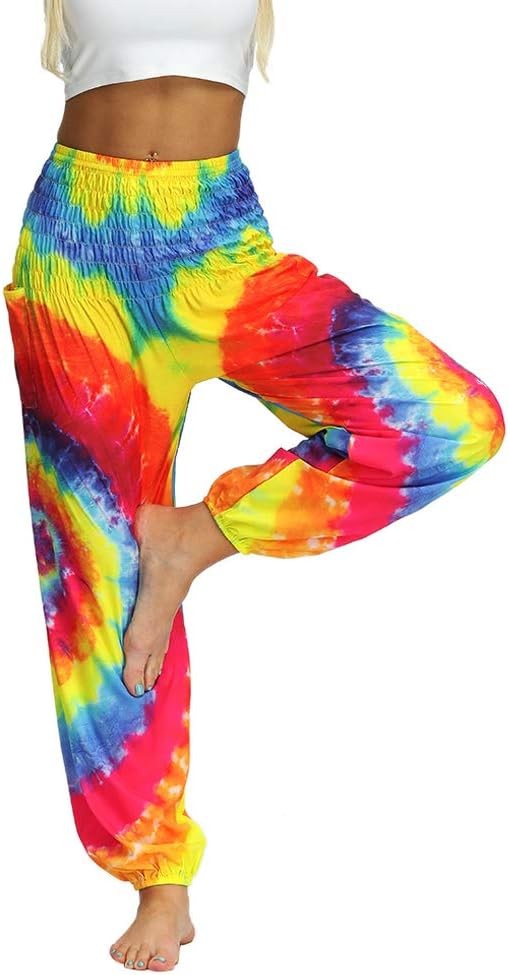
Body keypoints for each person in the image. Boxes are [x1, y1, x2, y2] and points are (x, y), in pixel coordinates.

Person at [2, 0, 505, 971]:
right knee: (96, 577)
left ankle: (195, 538)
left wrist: (214, 524)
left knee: (448, 419)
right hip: (75, 253)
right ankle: (159, 878)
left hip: (214, 244)